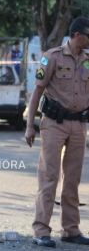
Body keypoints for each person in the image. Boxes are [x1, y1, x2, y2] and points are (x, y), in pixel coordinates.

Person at [25, 17, 89, 248]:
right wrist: (30, 124)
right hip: (54, 124)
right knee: (49, 177)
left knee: (72, 180)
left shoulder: (88, 60)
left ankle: (70, 230)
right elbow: (37, 92)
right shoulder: (52, 56)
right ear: (77, 35)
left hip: (79, 125)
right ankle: (41, 230)